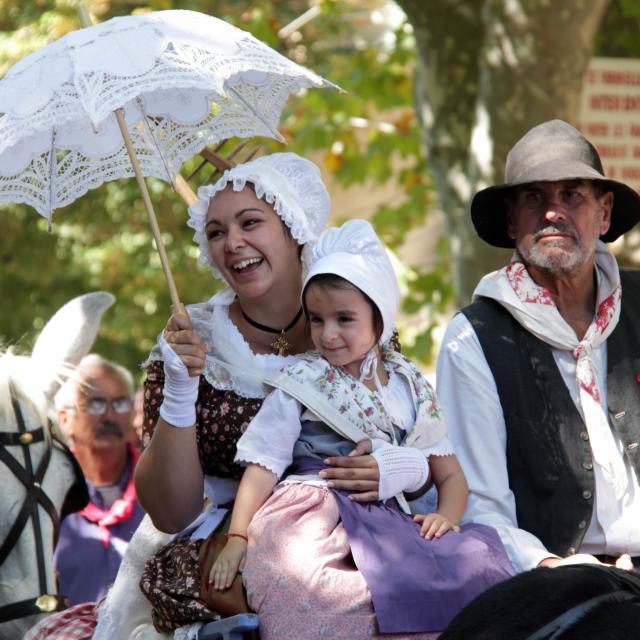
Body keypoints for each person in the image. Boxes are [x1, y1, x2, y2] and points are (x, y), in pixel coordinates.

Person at [208, 219, 515, 638]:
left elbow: (451, 475)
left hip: (389, 520)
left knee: (477, 564)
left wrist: (446, 516)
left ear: (379, 319)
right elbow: (263, 465)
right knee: (307, 579)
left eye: (344, 319)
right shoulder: (303, 381)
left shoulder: (409, 386)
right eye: (316, 320)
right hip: (313, 518)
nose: (328, 334)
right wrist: (239, 535)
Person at [436, 119, 640, 575]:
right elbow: (481, 508)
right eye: (534, 198)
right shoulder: (475, 339)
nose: (553, 212)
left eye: (572, 195)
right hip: (554, 578)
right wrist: (553, 566)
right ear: (511, 220)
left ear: (604, 213)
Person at [53, 353, 145, 605]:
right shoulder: (50, 494)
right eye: (95, 404)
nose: (110, 416)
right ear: (64, 419)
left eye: (120, 403)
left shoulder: (155, 484)